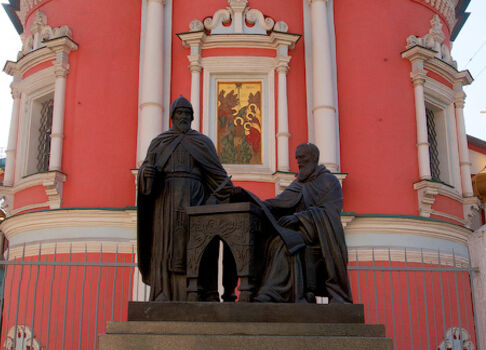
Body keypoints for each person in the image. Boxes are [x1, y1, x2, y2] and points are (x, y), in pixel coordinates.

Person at [137, 95, 234, 301]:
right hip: (166, 200)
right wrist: (146, 173)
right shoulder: (160, 142)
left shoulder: (202, 142)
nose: (184, 117)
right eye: (180, 113)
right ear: (172, 116)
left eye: (187, 114)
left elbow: (217, 176)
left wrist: (229, 195)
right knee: (165, 245)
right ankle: (163, 292)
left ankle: (197, 291)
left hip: (196, 200)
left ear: (192, 117)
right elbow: (147, 170)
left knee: (197, 246)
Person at [253, 142, 352, 303]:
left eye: (302, 157)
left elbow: (329, 214)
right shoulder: (299, 183)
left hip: (319, 234)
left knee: (285, 244)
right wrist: (255, 202)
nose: (298, 162)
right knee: (269, 241)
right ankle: (270, 291)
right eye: (297, 158)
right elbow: (279, 202)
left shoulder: (328, 182)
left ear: (313, 158)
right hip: (300, 231)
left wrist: (298, 218)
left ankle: (274, 293)